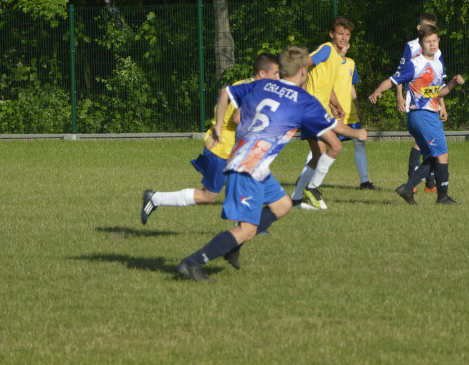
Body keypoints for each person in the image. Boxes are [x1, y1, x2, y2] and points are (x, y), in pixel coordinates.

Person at [176, 45, 368, 281]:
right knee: (245, 229)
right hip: (248, 166)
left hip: (253, 163)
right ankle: (192, 263)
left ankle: (234, 245)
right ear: (302, 73)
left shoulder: (263, 85)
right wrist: (358, 134)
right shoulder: (302, 100)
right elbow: (336, 127)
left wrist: (217, 124)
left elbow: (226, 91)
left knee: (283, 205)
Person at [141, 53, 280, 224]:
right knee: (209, 195)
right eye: (275, 73)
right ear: (261, 74)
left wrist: (218, 124)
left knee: (248, 185)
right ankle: (156, 198)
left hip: (230, 145)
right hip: (224, 148)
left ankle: (246, 226)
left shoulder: (244, 84)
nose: (278, 77)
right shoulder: (255, 90)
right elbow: (238, 118)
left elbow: (224, 94)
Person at [369, 24, 463, 205]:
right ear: (421, 44)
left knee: (432, 157)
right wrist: (378, 91)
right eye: (428, 42)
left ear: (439, 41)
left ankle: (408, 188)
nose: (432, 45)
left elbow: (436, 93)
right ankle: (442, 197)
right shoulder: (416, 64)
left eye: (435, 41)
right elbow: (392, 79)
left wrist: (452, 84)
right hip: (422, 115)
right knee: (442, 155)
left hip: (426, 115)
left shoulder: (437, 63)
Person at [289, 17, 355, 210]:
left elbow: (327, 86)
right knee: (335, 147)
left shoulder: (336, 57)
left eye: (347, 35)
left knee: (319, 155)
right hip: (310, 110)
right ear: (332, 34)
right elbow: (303, 64)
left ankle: (295, 198)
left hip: (319, 110)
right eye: (340, 34)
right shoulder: (326, 49)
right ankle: (313, 188)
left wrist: (336, 104)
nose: (343, 37)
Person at [397, 12, 442, 193]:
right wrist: (399, 96)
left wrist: (442, 104)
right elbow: (399, 74)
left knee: (428, 142)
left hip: (432, 100)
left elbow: (439, 80)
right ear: (419, 28)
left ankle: (429, 183)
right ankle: (415, 181)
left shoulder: (436, 50)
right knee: (423, 141)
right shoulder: (411, 47)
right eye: (426, 28)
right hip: (416, 100)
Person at [333, 40, 379, 190]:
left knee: (359, 144)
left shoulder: (351, 63)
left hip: (350, 112)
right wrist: (330, 105)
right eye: (340, 45)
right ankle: (306, 178)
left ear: (348, 46)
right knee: (325, 145)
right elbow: (324, 86)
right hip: (334, 113)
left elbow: (351, 86)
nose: (343, 47)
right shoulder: (330, 63)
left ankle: (365, 182)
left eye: (345, 45)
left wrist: (357, 108)